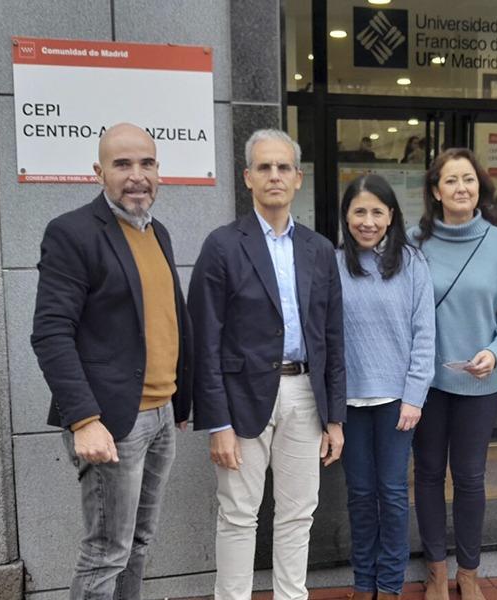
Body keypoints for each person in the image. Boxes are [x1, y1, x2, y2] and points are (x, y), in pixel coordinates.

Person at [31, 122, 193, 600]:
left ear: (159, 171)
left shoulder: (156, 232)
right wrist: (83, 419)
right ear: (99, 171)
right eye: (123, 164)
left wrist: (179, 400)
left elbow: (168, 319)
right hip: (111, 421)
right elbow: (50, 333)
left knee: (137, 545)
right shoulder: (72, 233)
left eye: (146, 163)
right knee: (106, 552)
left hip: (160, 416)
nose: (136, 175)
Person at [188, 129, 346, 600]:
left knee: (299, 512)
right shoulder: (221, 245)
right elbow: (204, 339)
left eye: (283, 168)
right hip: (241, 401)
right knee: (238, 513)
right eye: (264, 167)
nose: (274, 176)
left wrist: (335, 417)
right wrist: (216, 421)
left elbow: (332, 337)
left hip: (305, 396)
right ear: (248, 178)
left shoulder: (319, 249)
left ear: (298, 178)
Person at [409, 148, 497, 600]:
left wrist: (495, 351)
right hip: (426, 384)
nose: (462, 188)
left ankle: (469, 572)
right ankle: (436, 571)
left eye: (469, 179)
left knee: (470, 477)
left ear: (480, 186)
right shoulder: (412, 243)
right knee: (426, 473)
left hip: (480, 382)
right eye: (451, 181)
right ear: (435, 191)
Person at [337, 175, 435, 600]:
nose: (368, 220)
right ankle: (363, 583)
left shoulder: (412, 264)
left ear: (392, 216)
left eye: (378, 211)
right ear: (346, 216)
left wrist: (414, 396)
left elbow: (424, 333)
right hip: (349, 401)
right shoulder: (334, 262)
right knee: (359, 495)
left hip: (397, 401)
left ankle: (391, 584)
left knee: (393, 494)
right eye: (359, 211)